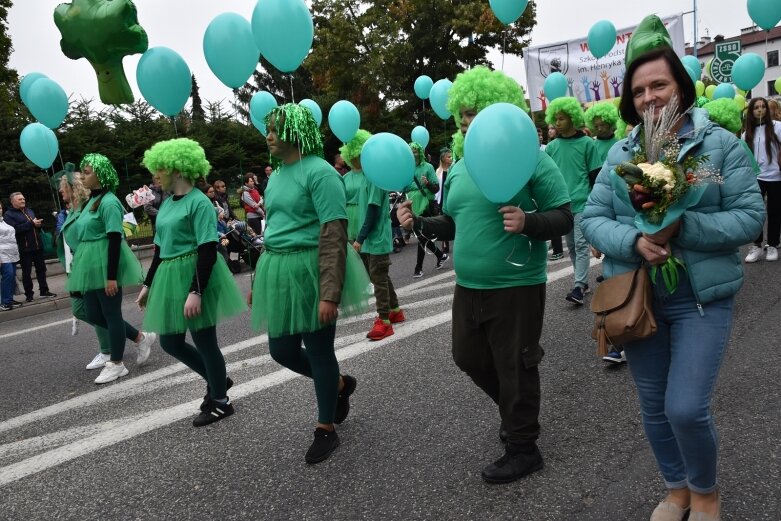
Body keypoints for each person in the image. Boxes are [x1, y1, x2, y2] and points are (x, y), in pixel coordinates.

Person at [581, 15, 765, 521]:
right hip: (639, 296)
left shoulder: (720, 146)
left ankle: (705, 491)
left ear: (680, 86)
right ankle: (676, 487)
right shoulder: (621, 153)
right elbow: (591, 219)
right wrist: (636, 240)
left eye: (658, 84)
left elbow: (751, 216)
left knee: (686, 406)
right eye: (639, 90)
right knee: (655, 407)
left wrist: (683, 228)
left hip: (701, 297)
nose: (649, 97)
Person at [398, 66, 573, 484]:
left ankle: (523, 447)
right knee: (468, 357)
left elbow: (564, 216)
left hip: (516, 285)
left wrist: (529, 221)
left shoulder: (531, 155)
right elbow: (453, 223)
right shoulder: (458, 166)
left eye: (474, 112)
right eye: (461, 114)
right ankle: (516, 416)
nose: (464, 120)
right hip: (469, 286)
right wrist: (418, 223)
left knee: (516, 366)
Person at [248, 103, 370, 464]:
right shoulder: (277, 176)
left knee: (319, 351)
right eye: (268, 128)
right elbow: (271, 233)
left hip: (313, 268)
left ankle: (325, 427)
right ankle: (340, 384)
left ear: (295, 132)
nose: (268, 135)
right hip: (279, 268)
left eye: (275, 129)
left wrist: (329, 292)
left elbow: (334, 234)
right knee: (281, 350)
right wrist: (258, 279)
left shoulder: (320, 173)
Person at [136, 138, 246, 426]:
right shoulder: (169, 203)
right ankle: (217, 379)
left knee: (205, 341)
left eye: (159, 169)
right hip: (169, 275)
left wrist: (196, 290)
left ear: (178, 168)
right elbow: (160, 248)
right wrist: (148, 284)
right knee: (171, 342)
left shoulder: (199, 202)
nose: (155, 175)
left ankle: (221, 401)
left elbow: (208, 248)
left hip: (194, 272)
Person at [55, 165, 156, 370]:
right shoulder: (89, 202)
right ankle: (141, 338)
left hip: (103, 262)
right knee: (93, 314)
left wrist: (111, 276)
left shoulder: (108, 201)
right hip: (88, 263)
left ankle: (116, 362)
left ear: (101, 175)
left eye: (88, 172)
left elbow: (114, 237)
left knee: (111, 315)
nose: (83, 176)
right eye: (82, 173)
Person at [341, 129, 405, 340]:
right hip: (373, 237)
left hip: (376, 237)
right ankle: (395, 310)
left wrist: (360, 238)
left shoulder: (374, 178)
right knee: (380, 274)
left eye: (357, 154)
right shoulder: (369, 176)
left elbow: (373, 210)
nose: (353, 158)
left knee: (377, 277)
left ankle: (384, 320)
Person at [545, 97, 602, 305]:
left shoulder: (587, 143)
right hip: (562, 205)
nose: (557, 123)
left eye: (562, 118)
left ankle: (578, 286)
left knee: (580, 244)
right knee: (571, 246)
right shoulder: (551, 148)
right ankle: (583, 283)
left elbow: (595, 176)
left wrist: (597, 204)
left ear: (573, 118)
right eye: (555, 119)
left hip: (582, 202)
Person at [742, 96, 781, 263]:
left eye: (763, 107)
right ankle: (757, 245)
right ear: (751, 111)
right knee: (756, 213)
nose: (760, 110)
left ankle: (772, 245)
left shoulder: (777, 127)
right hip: (756, 177)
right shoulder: (746, 133)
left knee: (774, 212)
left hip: (776, 177)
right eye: (756, 107)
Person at [4, 192, 56, 302]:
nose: (23, 201)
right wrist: (31, 224)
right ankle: (29, 294)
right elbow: (14, 230)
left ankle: (44, 290)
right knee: (26, 272)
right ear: (13, 202)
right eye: (20, 199)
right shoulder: (9, 215)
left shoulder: (29, 210)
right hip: (24, 248)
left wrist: (37, 224)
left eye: (23, 199)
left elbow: (33, 225)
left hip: (37, 245)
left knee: (41, 269)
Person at [406, 141, 447, 278]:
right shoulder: (406, 169)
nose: (414, 154)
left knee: (421, 236)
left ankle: (418, 268)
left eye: (416, 151)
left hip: (426, 206)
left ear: (421, 153)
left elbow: (436, 188)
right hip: (413, 207)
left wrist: (427, 183)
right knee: (422, 236)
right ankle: (440, 255)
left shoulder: (428, 167)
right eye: (411, 152)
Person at [0, 200, 21, 311]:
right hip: (2, 254)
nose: (0, 210)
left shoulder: (3, 221)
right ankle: (4, 301)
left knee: (12, 276)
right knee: (8, 275)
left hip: (11, 253)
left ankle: (9, 298)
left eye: (0, 208)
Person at [435, 148, 453, 254]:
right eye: (448, 157)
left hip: (450, 196)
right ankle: (445, 244)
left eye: (451, 156)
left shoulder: (453, 169)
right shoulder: (438, 171)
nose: (451, 159)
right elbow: (438, 187)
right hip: (441, 199)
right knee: (444, 221)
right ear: (443, 158)